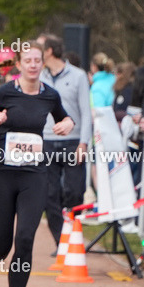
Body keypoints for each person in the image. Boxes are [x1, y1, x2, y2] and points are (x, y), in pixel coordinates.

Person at [0, 43, 73, 287]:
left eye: (37, 60)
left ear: (43, 62)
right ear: (19, 63)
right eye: (27, 60)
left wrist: (68, 123)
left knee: (25, 239)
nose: (32, 65)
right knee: (3, 242)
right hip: (2, 174)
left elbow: (64, 117)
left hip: (34, 174)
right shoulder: (5, 92)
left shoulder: (49, 95)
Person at [37, 34, 92, 249]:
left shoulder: (78, 76)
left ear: (49, 51)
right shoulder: (39, 76)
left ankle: (74, 237)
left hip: (73, 141)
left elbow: (86, 113)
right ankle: (62, 243)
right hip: (47, 142)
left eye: (39, 47)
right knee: (49, 195)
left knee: (75, 192)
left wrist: (83, 143)